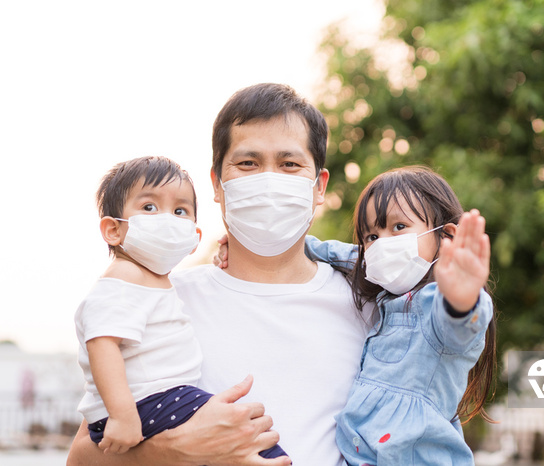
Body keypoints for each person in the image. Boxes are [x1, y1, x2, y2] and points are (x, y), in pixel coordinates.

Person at [67, 83, 369, 466]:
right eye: (248, 163)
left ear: (318, 186)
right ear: (216, 184)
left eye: (289, 164)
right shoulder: (163, 298)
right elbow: (80, 457)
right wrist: (174, 451)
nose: (268, 179)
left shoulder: (368, 305)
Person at [74, 156, 287, 459]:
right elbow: (101, 343)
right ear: (113, 230)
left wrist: (223, 253)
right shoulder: (124, 276)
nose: (168, 219)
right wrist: (122, 415)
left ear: (194, 237)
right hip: (148, 403)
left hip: (158, 401)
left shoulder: (152, 279)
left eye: (180, 211)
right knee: (249, 437)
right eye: (149, 207)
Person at [304, 166, 497, 465]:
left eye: (398, 227)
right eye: (371, 235)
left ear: (446, 237)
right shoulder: (385, 294)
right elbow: (342, 254)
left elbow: (461, 326)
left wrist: (462, 300)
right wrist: (287, 248)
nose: (382, 244)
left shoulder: (436, 305)